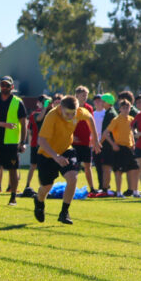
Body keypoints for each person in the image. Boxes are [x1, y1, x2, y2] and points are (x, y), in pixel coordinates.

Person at [34, 96, 101, 225]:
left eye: (73, 114)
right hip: (48, 154)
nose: (70, 117)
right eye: (67, 114)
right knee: (46, 187)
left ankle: (64, 213)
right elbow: (41, 140)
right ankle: (39, 201)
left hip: (66, 149)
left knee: (73, 178)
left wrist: (96, 140)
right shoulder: (52, 116)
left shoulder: (79, 112)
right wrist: (56, 157)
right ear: (60, 108)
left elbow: (90, 118)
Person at [0, 76, 27, 206]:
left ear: (12, 87)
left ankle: (13, 197)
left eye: (7, 85)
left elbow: (23, 123)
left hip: (11, 142)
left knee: (12, 169)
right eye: (2, 85)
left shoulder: (17, 102)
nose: (4, 87)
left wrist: (23, 142)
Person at [101, 100, 140, 197]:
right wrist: (113, 144)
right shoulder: (116, 119)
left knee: (135, 169)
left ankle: (135, 191)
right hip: (120, 148)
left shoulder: (131, 119)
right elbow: (106, 133)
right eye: (124, 108)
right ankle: (118, 192)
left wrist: (134, 143)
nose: (126, 110)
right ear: (120, 109)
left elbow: (131, 132)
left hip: (129, 148)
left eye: (128, 108)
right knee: (119, 171)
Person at [72, 86, 98, 194]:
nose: (85, 97)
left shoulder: (89, 108)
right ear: (77, 95)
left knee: (88, 165)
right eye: (83, 95)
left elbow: (91, 123)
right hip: (74, 142)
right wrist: (71, 136)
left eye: (86, 95)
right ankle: (72, 188)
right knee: (75, 166)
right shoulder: (72, 108)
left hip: (86, 141)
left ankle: (92, 188)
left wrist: (93, 137)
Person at [22, 95, 50, 196]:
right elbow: (39, 119)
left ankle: (43, 186)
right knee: (33, 165)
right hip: (35, 144)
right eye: (44, 102)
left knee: (44, 166)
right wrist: (45, 107)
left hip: (46, 145)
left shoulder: (49, 113)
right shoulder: (35, 113)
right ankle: (27, 185)